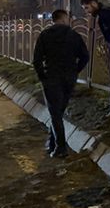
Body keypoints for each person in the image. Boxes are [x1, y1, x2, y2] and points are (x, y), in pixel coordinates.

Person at [32, 9, 89, 158]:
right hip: (69, 78)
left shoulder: (45, 35)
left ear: (54, 20)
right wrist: (75, 71)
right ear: (64, 19)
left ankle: (61, 147)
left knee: (55, 113)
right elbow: (85, 56)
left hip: (52, 78)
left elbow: (36, 60)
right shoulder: (74, 35)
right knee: (58, 112)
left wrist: (42, 76)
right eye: (68, 18)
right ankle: (52, 143)